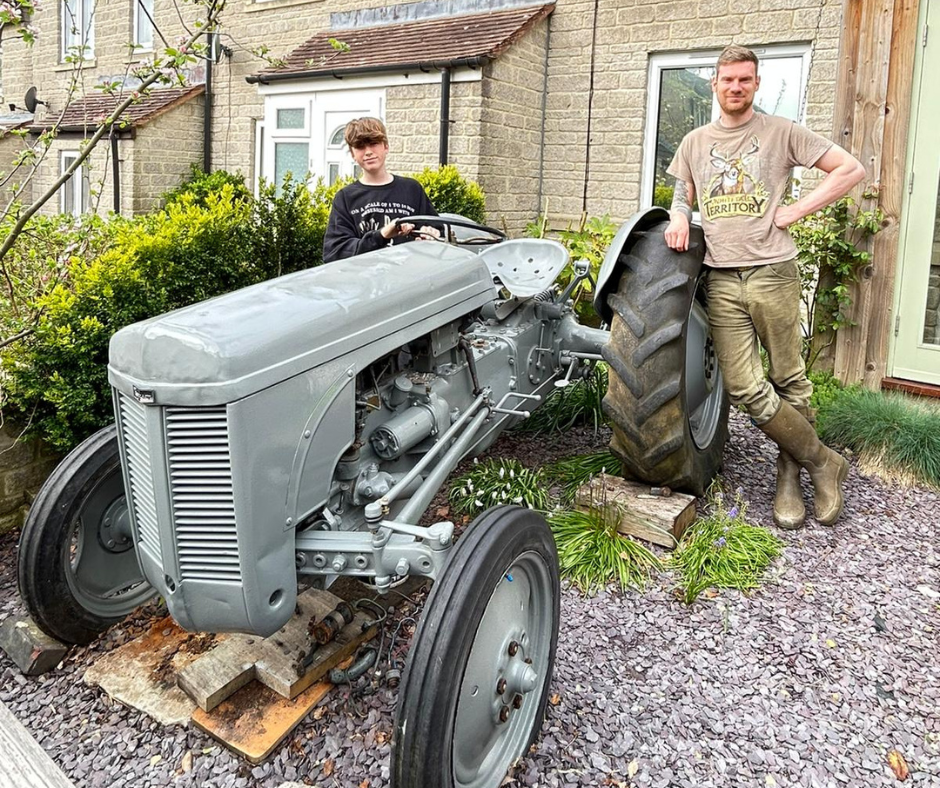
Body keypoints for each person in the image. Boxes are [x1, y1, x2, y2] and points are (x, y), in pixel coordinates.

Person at [664, 44, 866, 530]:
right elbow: (681, 191)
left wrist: (795, 211)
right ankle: (823, 460)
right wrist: (677, 215)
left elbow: (850, 169)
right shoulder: (694, 141)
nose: (735, 87)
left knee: (789, 378)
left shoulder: (780, 132)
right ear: (714, 83)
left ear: (755, 84)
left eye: (745, 80)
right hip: (723, 276)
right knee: (743, 385)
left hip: (773, 270)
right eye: (727, 79)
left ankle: (788, 474)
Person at [322, 117, 439, 263]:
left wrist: (431, 234)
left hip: (409, 280)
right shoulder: (345, 197)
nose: (368, 152)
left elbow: (438, 230)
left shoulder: (412, 189)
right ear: (352, 154)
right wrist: (381, 235)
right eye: (360, 146)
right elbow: (334, 253)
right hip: (366, 281)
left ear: (386, 146)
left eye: (374, 143)